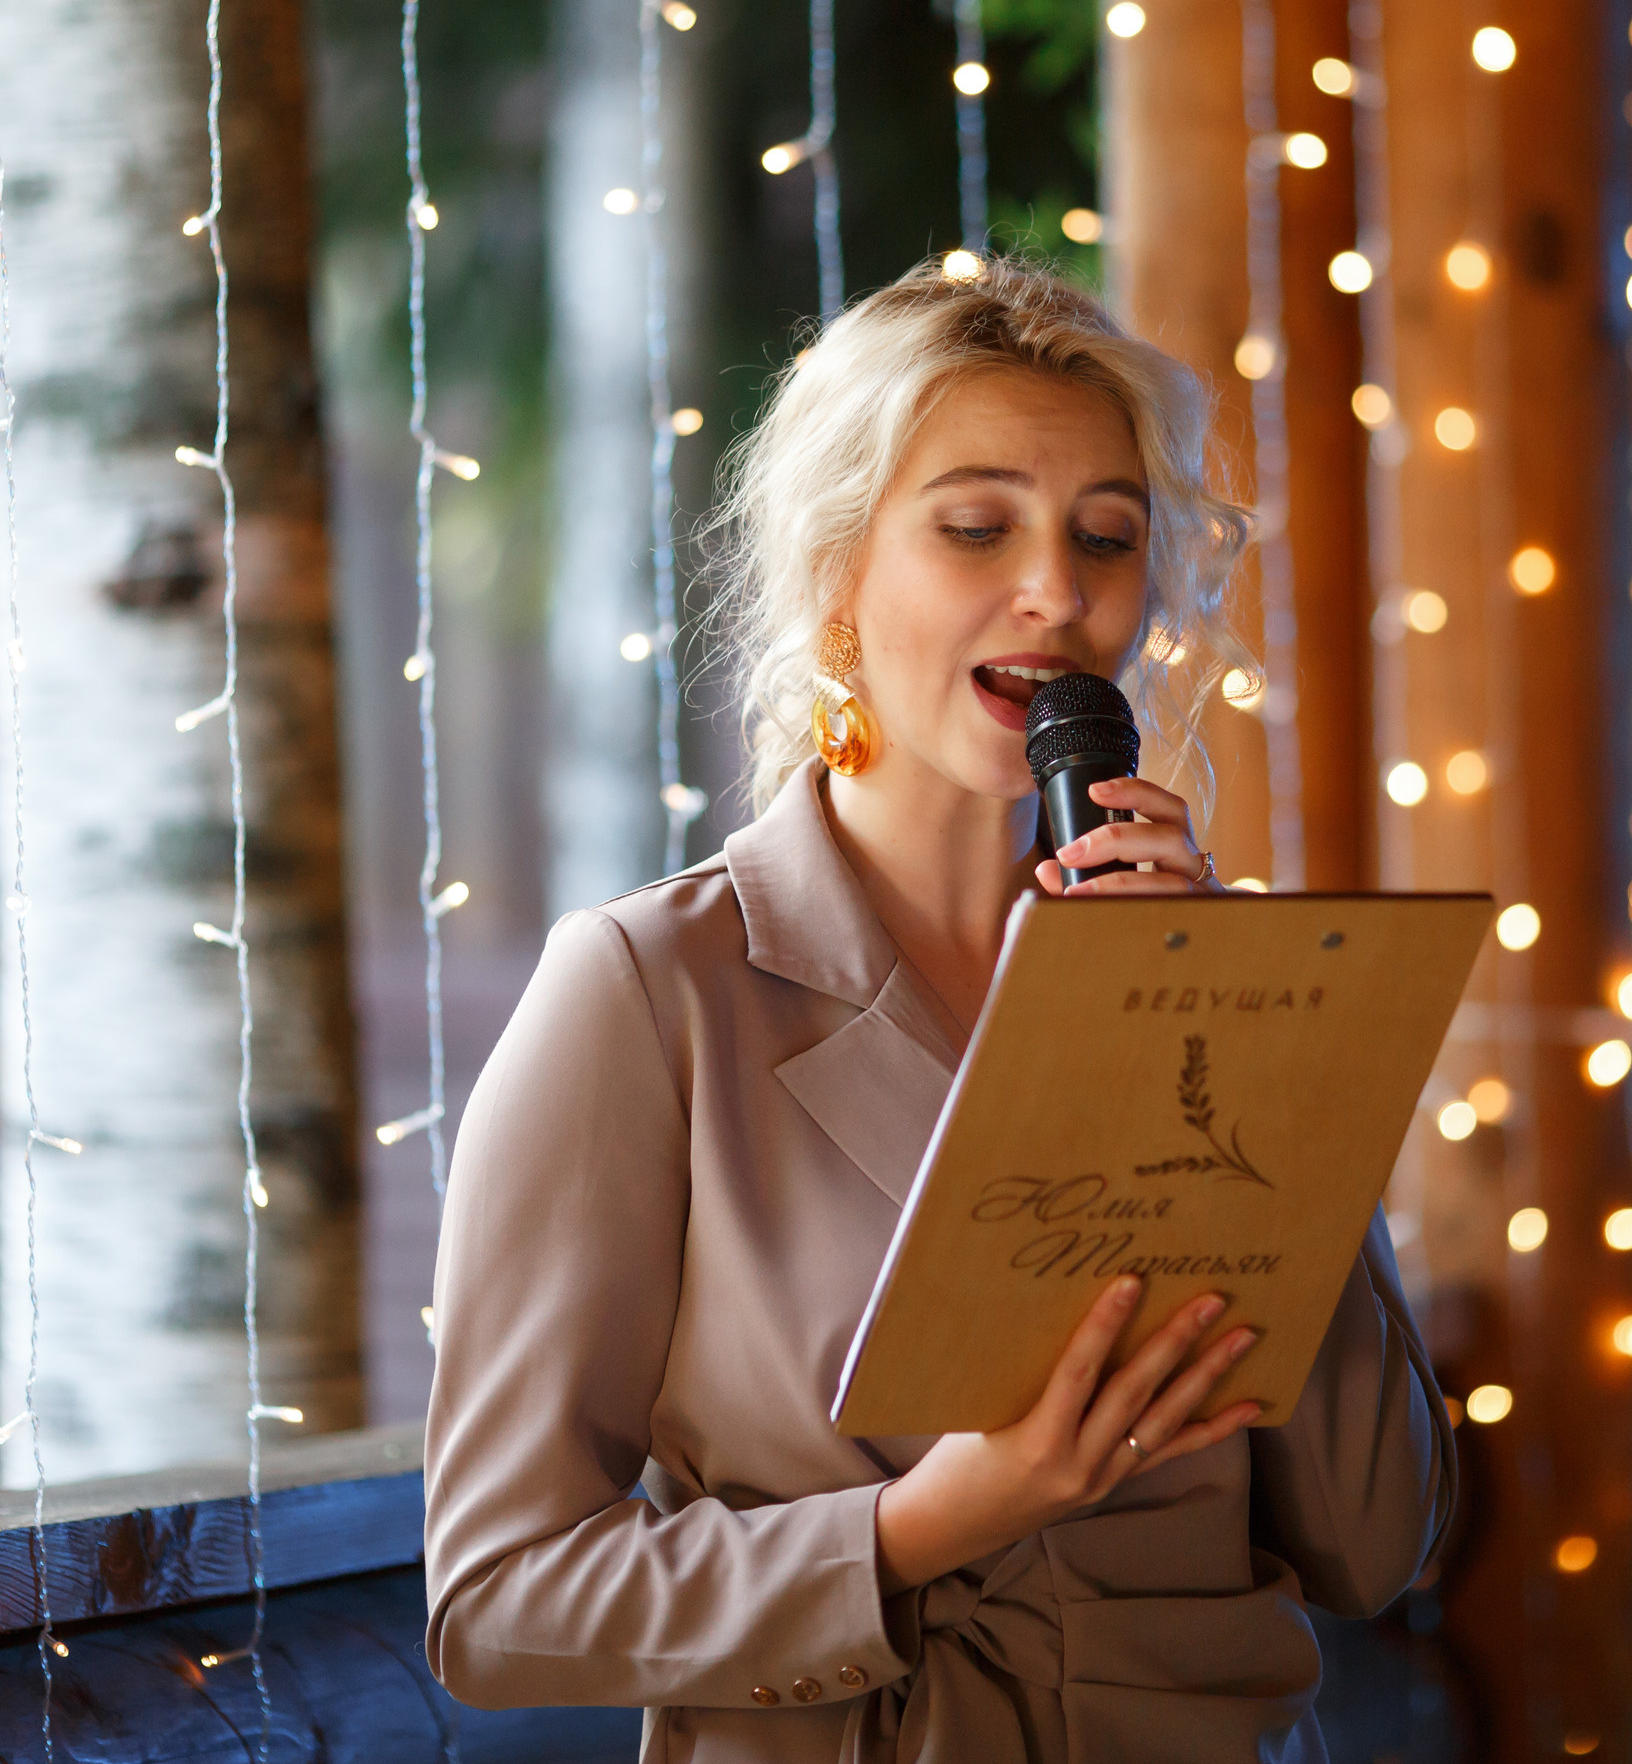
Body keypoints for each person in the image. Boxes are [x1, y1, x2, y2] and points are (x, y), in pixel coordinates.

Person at [422, 257, 1455, 1763]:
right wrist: (917, 1527)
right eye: (977, 525)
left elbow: (1376, 1537)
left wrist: (1234, 1049)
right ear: (837, 572)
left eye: (1108, 534)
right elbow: (500, 1604)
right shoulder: (650, 992)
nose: (1059, 589)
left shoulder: (1224, 973)